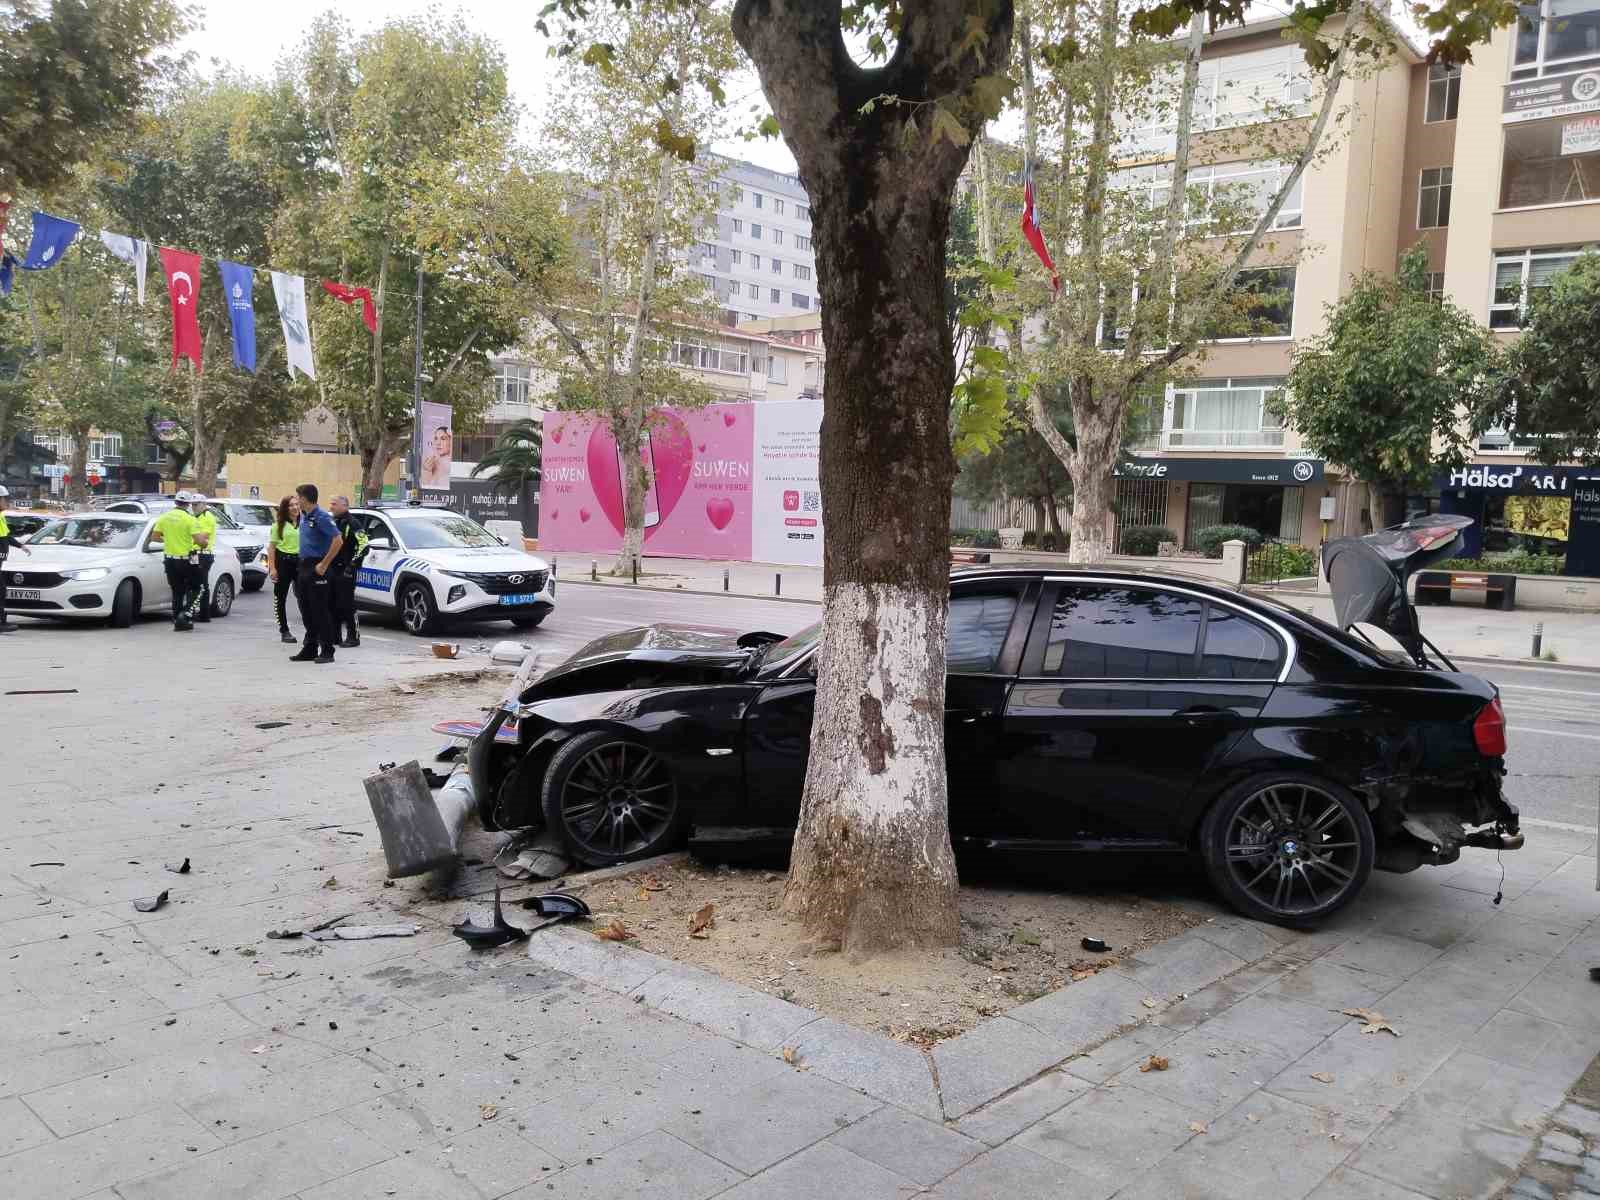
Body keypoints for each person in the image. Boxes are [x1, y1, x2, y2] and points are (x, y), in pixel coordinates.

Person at [291, 482, 343, 663]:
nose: (297, 501)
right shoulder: (304, 516)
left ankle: (327, 650)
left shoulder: (321, 517)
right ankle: (310, 647)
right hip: (304, 566)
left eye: (298, 497)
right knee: (306, 609)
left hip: (318, 566)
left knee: (320, 610)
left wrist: (324, 564)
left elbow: (338, 540)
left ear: (304, 499)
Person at [150, 491, 201, 632]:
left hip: (170, 559)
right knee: (197, 588)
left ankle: (176, 618)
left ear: (176, 502)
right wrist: (203, 541)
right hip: (187, 559)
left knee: (177, 591)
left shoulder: (164, 517)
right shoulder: (190, 519)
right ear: (188, 504)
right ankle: (185, 615)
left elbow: (154, 537)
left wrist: (169, 540)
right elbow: (199, 541)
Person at [328, 495, 369, 648]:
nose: (331, 507)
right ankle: (335, 636)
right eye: (331, 504)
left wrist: (352, 565)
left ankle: (353, 636)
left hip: (346, 570)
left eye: (334, 504)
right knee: (332, 603)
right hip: (332, 569)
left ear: (344, 506)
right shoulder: (333, 522)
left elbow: (364, 545)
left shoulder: (353, 523)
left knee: (347, 604)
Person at [267, 494, 301, 644]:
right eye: (291, 505)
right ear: (285, 509)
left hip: (300, 563)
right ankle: (284, 630)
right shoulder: (278, 526)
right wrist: (272, 568)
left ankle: (312, 630)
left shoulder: (304, 523)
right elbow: (272, 548)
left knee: (306, 597)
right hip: (283, 562)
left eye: (296, 504)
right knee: (280, 598)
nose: (295, 508)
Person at [0, 485, 33, 633]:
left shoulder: (1, 516)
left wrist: (20, 546)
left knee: (1, 589)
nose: (7, 502)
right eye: (4, 499)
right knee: (1, 589)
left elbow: (5, 536)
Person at [190, 493, 217, 624]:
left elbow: (204, 536)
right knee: (197, 584)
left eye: (196, 504)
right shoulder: (196, 516)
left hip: (203, 554)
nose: (194, 507)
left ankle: (204, 614)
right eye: (192, 504)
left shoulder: (207, 517)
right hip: (196, 554)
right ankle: (199, 611)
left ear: (204, 504)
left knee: (202, 584)